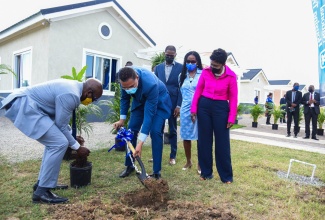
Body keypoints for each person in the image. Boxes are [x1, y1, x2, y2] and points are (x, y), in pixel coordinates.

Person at [0, 78, 103, 204]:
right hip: (24, 105)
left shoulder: (73, 88)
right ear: (88, 92)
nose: (92, 102)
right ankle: (42, 192)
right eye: (94, 99)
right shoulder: (71, 94)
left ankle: (42, 184)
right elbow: (61, 126)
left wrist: (72, 135)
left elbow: (61, 119)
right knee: (58, 143)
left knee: (54, 143)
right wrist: (77, 147)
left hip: (28, 104)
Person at [113, 67, 172, 179]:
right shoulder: (124, 81)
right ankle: (129, 165)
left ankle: (156, 172)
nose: (128, 89)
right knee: (131, 131)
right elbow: (124, 99)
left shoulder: (151, 84)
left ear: (137, 78)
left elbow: (149, 116)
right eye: (125, 87)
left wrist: (140, 143)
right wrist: (122, 119)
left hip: (158, 102)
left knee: (155, 132)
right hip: (140, 101)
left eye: (131, 86)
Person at [190, 48, 238, 183]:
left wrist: (231, 117)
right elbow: (198, 90)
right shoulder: (205, 72)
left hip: (221, 108)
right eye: (211, 65)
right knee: (204, 141)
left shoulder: (231, 76)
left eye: (216, 66)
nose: (212, 68)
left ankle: (226, 176)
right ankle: (206, 173)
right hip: (204, 106)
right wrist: (194, 109)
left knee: (222, 143)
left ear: (223, 64)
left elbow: (233, 98)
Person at [154, 45, 182, 165]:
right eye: (167, 55)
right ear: (164, 53)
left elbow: (181, 88)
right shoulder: (158, 68)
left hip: (173, 103)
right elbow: (154, 85)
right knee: (158, 129)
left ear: (175, 55)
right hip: (160, 103)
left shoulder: (181, 68)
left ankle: (172, 155)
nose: (169, 57)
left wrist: (178, 106)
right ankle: (157, 154)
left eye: (171, 55)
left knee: (173, 130)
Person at [178, 51, 203, 174]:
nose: (190, 63)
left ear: (197, 62)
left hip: (200, 109)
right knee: (186, 136)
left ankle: (200, 163)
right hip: (185, 109)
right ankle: (189, 161)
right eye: (188, 61)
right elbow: (181, 93)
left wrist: (197, 108)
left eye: (193, 61)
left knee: (200, 136)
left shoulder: (203, 74)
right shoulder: (182, 75)